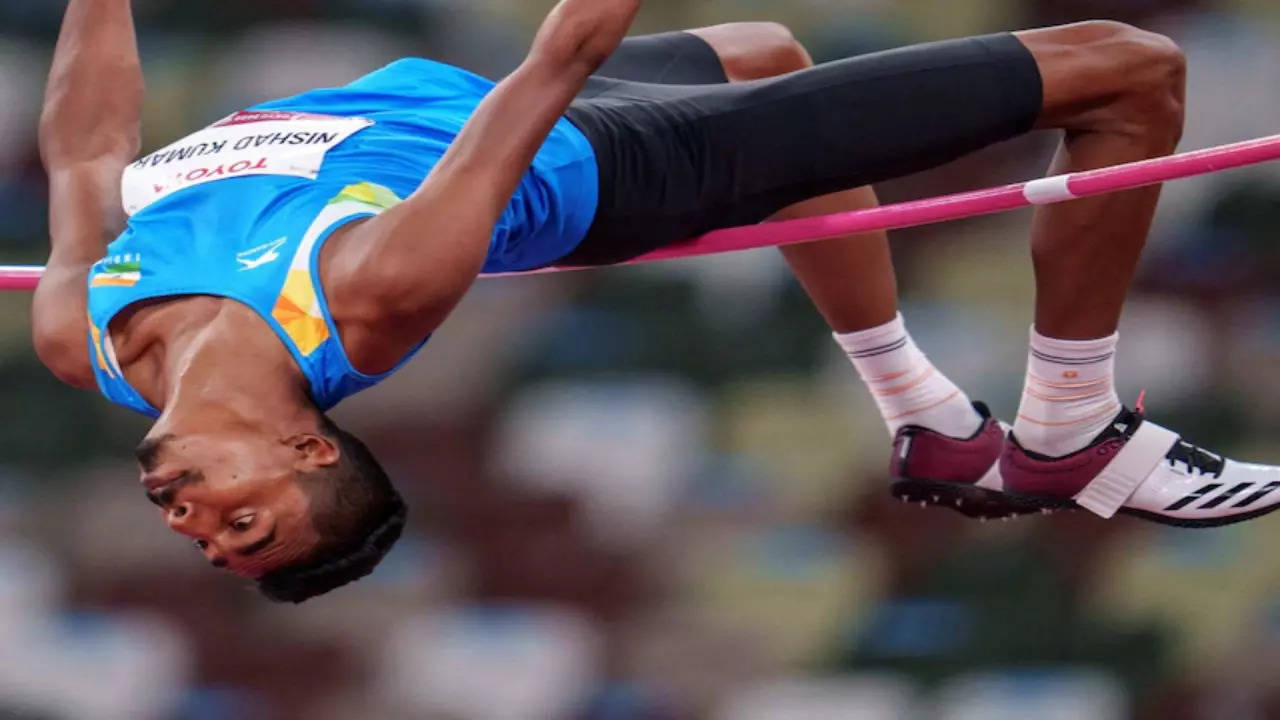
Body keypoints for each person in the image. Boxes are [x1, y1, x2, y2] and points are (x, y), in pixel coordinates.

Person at [31, 0, 1280, 603]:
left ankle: (927, 416)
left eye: (215, 539)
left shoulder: (76, 336)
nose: (197, 527)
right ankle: (1067, 425)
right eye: (245, 527)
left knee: (763, 50)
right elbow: (553, 67)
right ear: (305, 445)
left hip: (429, 106)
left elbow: (89, 151)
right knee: (1125, 72)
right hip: (592, 162)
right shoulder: (367, 295)